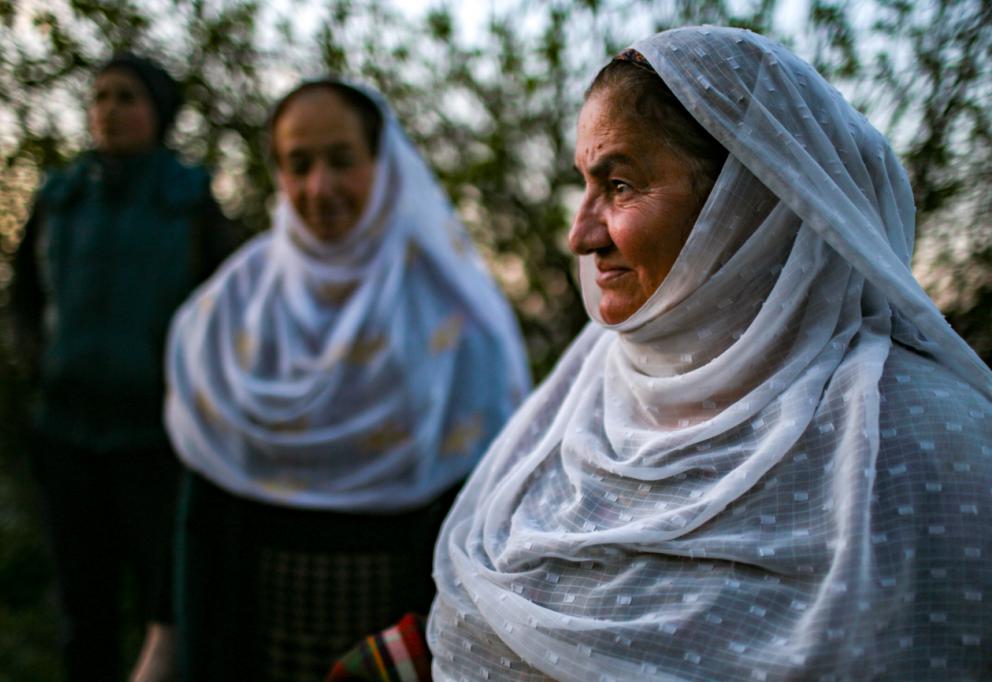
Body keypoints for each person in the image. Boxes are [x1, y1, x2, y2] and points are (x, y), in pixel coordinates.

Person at [426, 27, 992, 680]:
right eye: (584, 184)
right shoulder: (578, 397)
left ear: (752, 198)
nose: (580, 235)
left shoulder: (929, 439)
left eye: (618, 185)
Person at [163, 79, 530, 681]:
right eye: (298, 164)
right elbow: (199, 500)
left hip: (404, 629)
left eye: (341, 161)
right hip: (249, 629)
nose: (319, 187)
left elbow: (482, 502)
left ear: (381, 164)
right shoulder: (231, 306)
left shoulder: (451, 306)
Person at [11, 54, 241, 681]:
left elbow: (228, 306)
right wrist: (42, 366)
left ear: (158, 114)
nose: (110, 110)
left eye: (126, 98)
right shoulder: (61, 197)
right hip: (68, 434)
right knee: (83, 606)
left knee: (164, 606)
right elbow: (24, 298)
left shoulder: (188, 199)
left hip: (157, 442)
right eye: (101, 97)